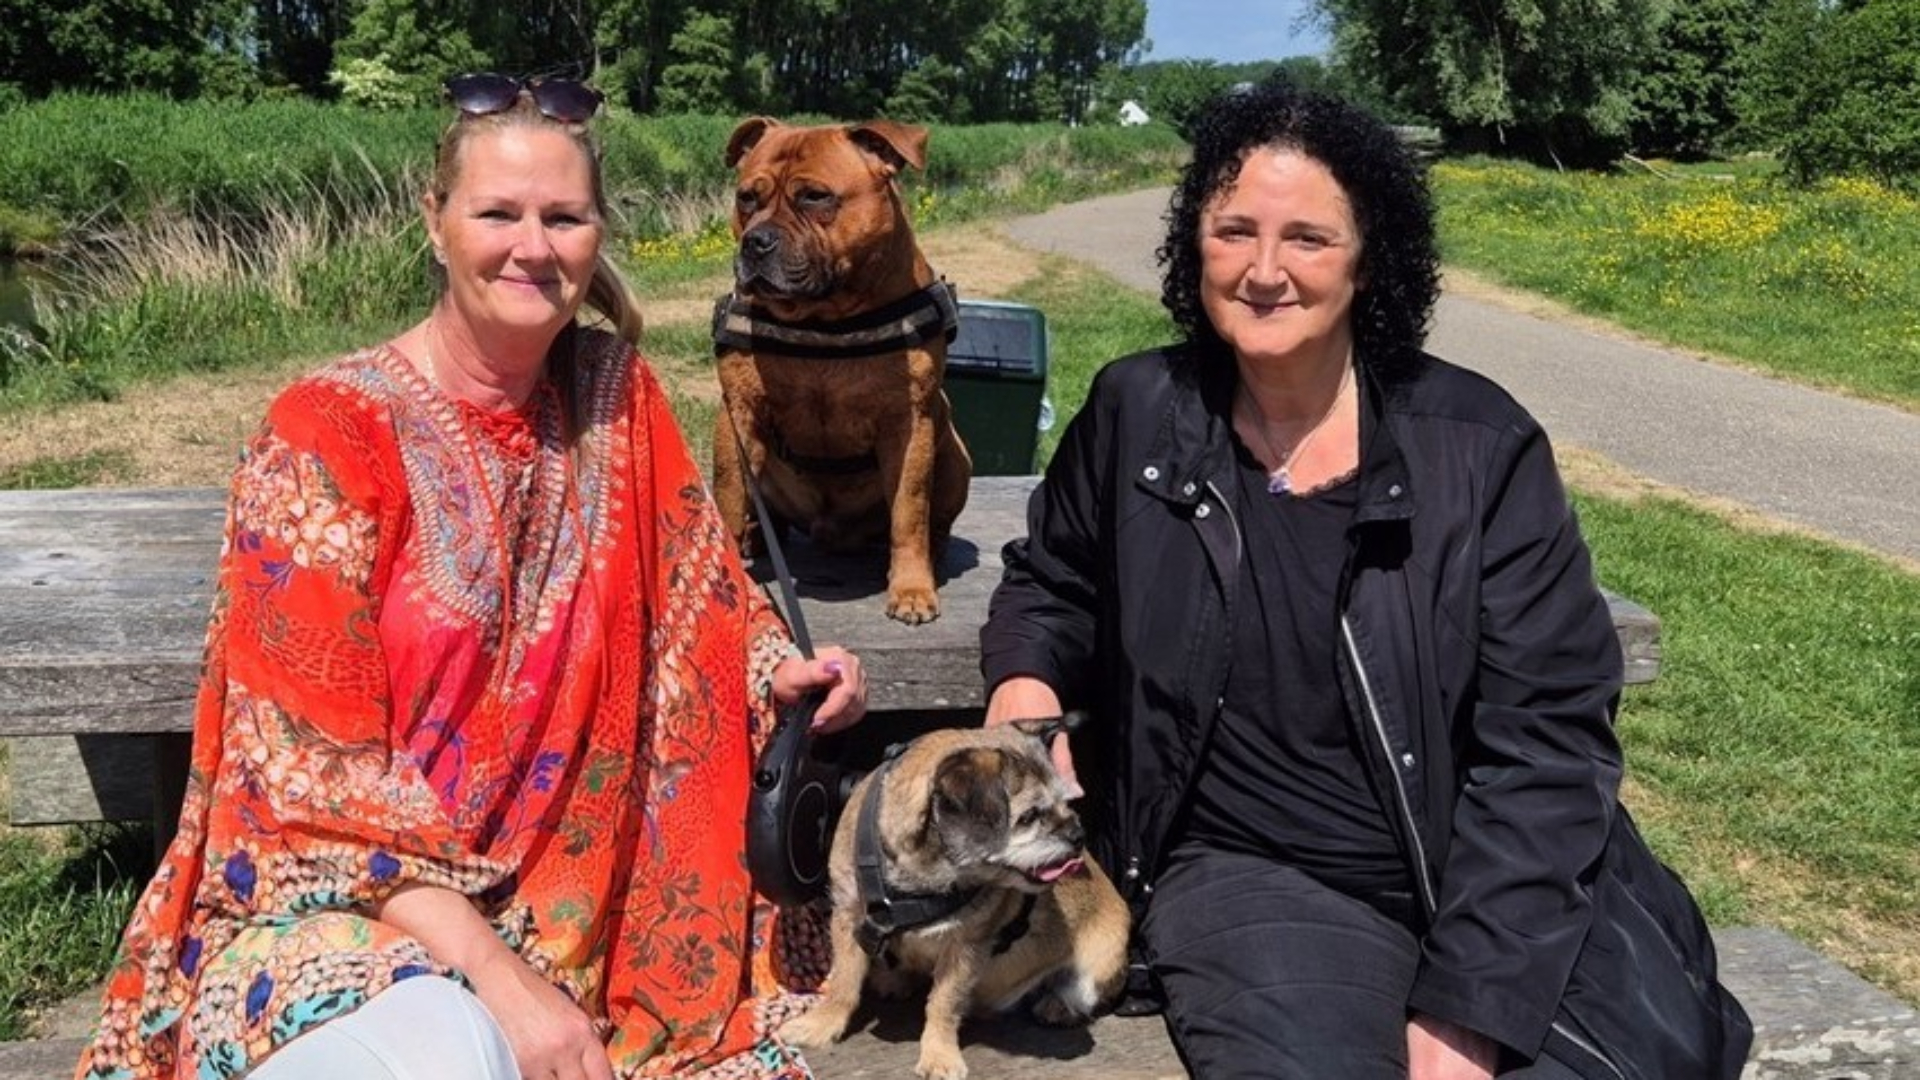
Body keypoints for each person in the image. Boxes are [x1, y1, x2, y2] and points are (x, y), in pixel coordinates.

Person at [77, 73, 866, 1080]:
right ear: (436, 221)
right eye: (499, 212)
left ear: (597, 232)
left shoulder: (618, 398)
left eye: (564, 216)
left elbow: (700, 598)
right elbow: (305, 782)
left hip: (579, 927)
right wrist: (496, 979)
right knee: (444, 1050)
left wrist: (777, 675)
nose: (533, 246)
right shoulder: (324, 437)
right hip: (345, 910)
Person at [980, 80, 1753, 1079]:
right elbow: (1055, 579)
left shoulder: (1479, 447)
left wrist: (1473, 1001)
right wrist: (1026, 684)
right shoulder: (1139, 411)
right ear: (1192, 244)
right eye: (1233, 231)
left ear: (1368, 258)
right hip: (1258, 872)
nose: (1264, 270)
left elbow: (1549, 742)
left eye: (1308, 237)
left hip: (1479, 858)